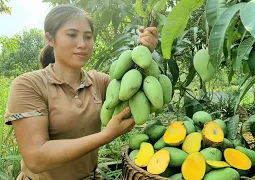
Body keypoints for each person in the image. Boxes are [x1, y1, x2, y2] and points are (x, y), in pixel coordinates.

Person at [4, 4, 158, 180]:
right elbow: (36, 159)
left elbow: (137, 91)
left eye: (88, 36)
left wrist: (145, 51)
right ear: (50, 38)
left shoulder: (100, 82)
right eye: (72, 35)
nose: (82, 44)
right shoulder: (28, 85)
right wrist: (107, 135)